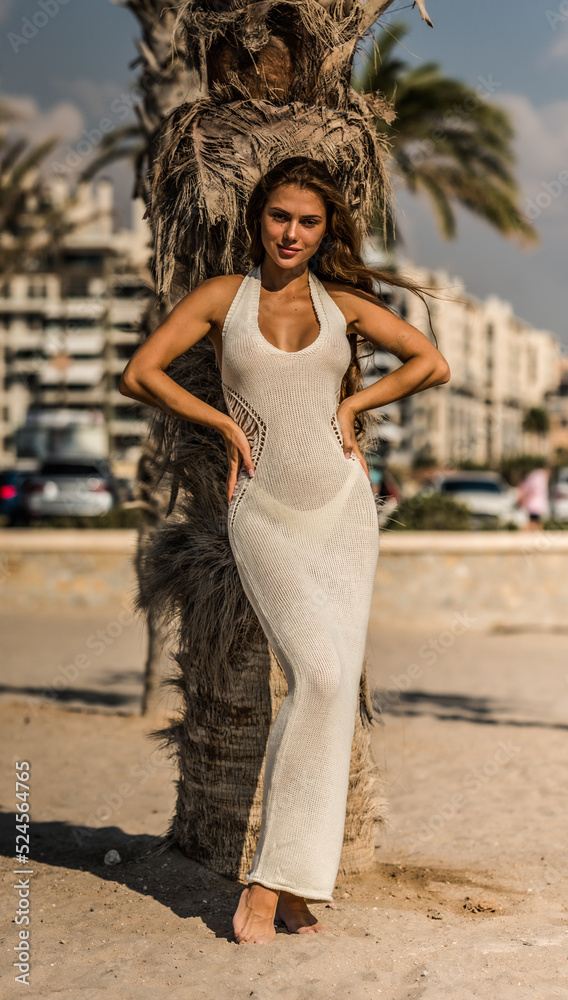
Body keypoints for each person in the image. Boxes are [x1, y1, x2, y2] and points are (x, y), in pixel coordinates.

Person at [119, 156, 451, 944]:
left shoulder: (343, 305)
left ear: (325, 228)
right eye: (278, 217)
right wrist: (225, 424)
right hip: (261, 510)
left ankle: (297, 889)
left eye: (307, 221)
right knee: (323, 675)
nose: (291, 233)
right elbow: (141, 373)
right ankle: (265, 889)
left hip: (344, 512)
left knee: (331, 698)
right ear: (257, 220)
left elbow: (431, 363)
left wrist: (354, 406)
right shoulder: (219, 301)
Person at [519, 463, 551, 530]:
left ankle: (533, 532)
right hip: (535, 502)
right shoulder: (539, 476)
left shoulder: (536, 475)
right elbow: (533, 488)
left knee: (534, 520)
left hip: (534, 502)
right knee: (534, 520)